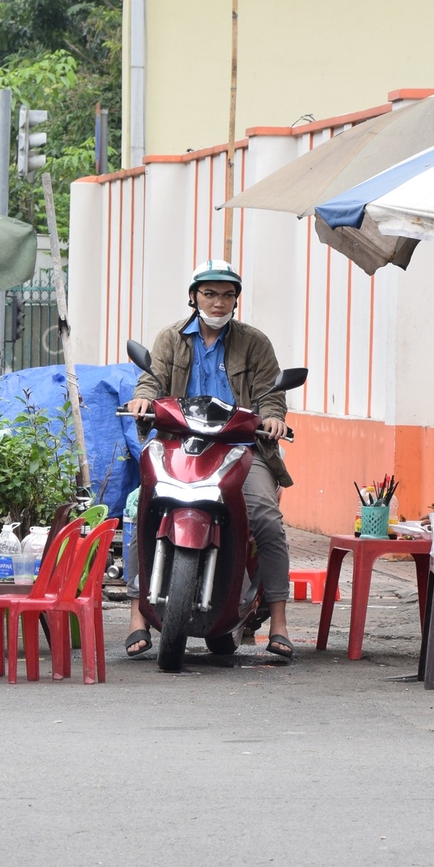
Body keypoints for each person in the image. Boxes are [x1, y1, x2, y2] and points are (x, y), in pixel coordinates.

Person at [123, 260, 297, 661]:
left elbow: (271, 392)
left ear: (236, 300)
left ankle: (280, 622)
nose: (218, 303)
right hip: (177, 442)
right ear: (193, 296)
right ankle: (137, 614)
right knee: (141, 507)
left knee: (265, 517)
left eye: (227, 294)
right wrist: (144, 398)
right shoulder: (170, 338)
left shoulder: (254, 342)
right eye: (209, 293)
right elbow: (152, 378)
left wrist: (273, 417)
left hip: (239, 446)